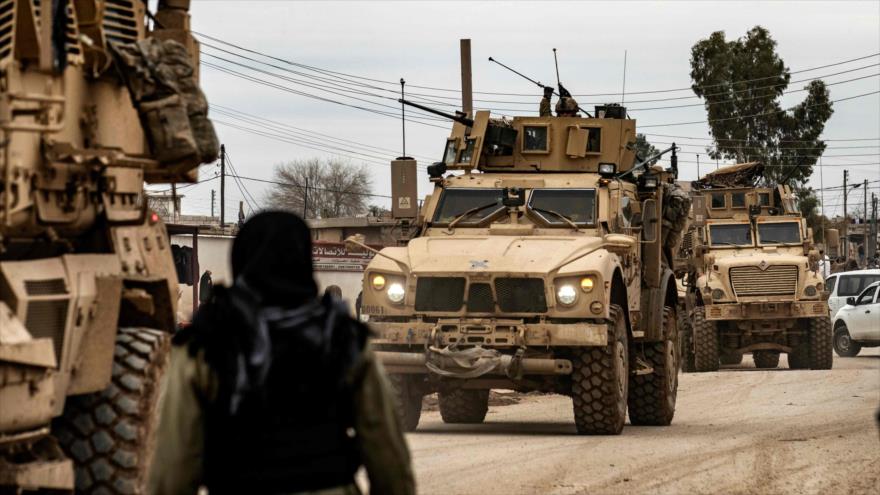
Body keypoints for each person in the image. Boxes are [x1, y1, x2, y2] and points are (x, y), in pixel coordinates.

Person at [148, 211, 415, 495]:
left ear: (240, 260)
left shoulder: (207, 343)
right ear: (304, 263)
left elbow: (173, 469)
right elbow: (388, 457)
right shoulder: (341, 338)